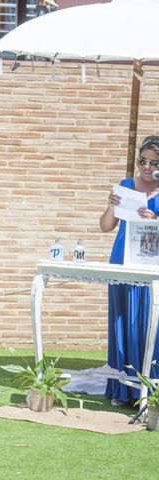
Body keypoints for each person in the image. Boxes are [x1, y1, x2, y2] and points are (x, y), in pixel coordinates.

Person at [100, 135, 159, 405]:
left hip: (151, 263)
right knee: (122, 320)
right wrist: (112, 204)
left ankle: (149, 388)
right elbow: (105, 226)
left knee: (148, 323)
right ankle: (122, 390)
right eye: (143, 161)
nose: (147, 167)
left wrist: (156, 219)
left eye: (153, 162)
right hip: (122, 260)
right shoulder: (126, 186)